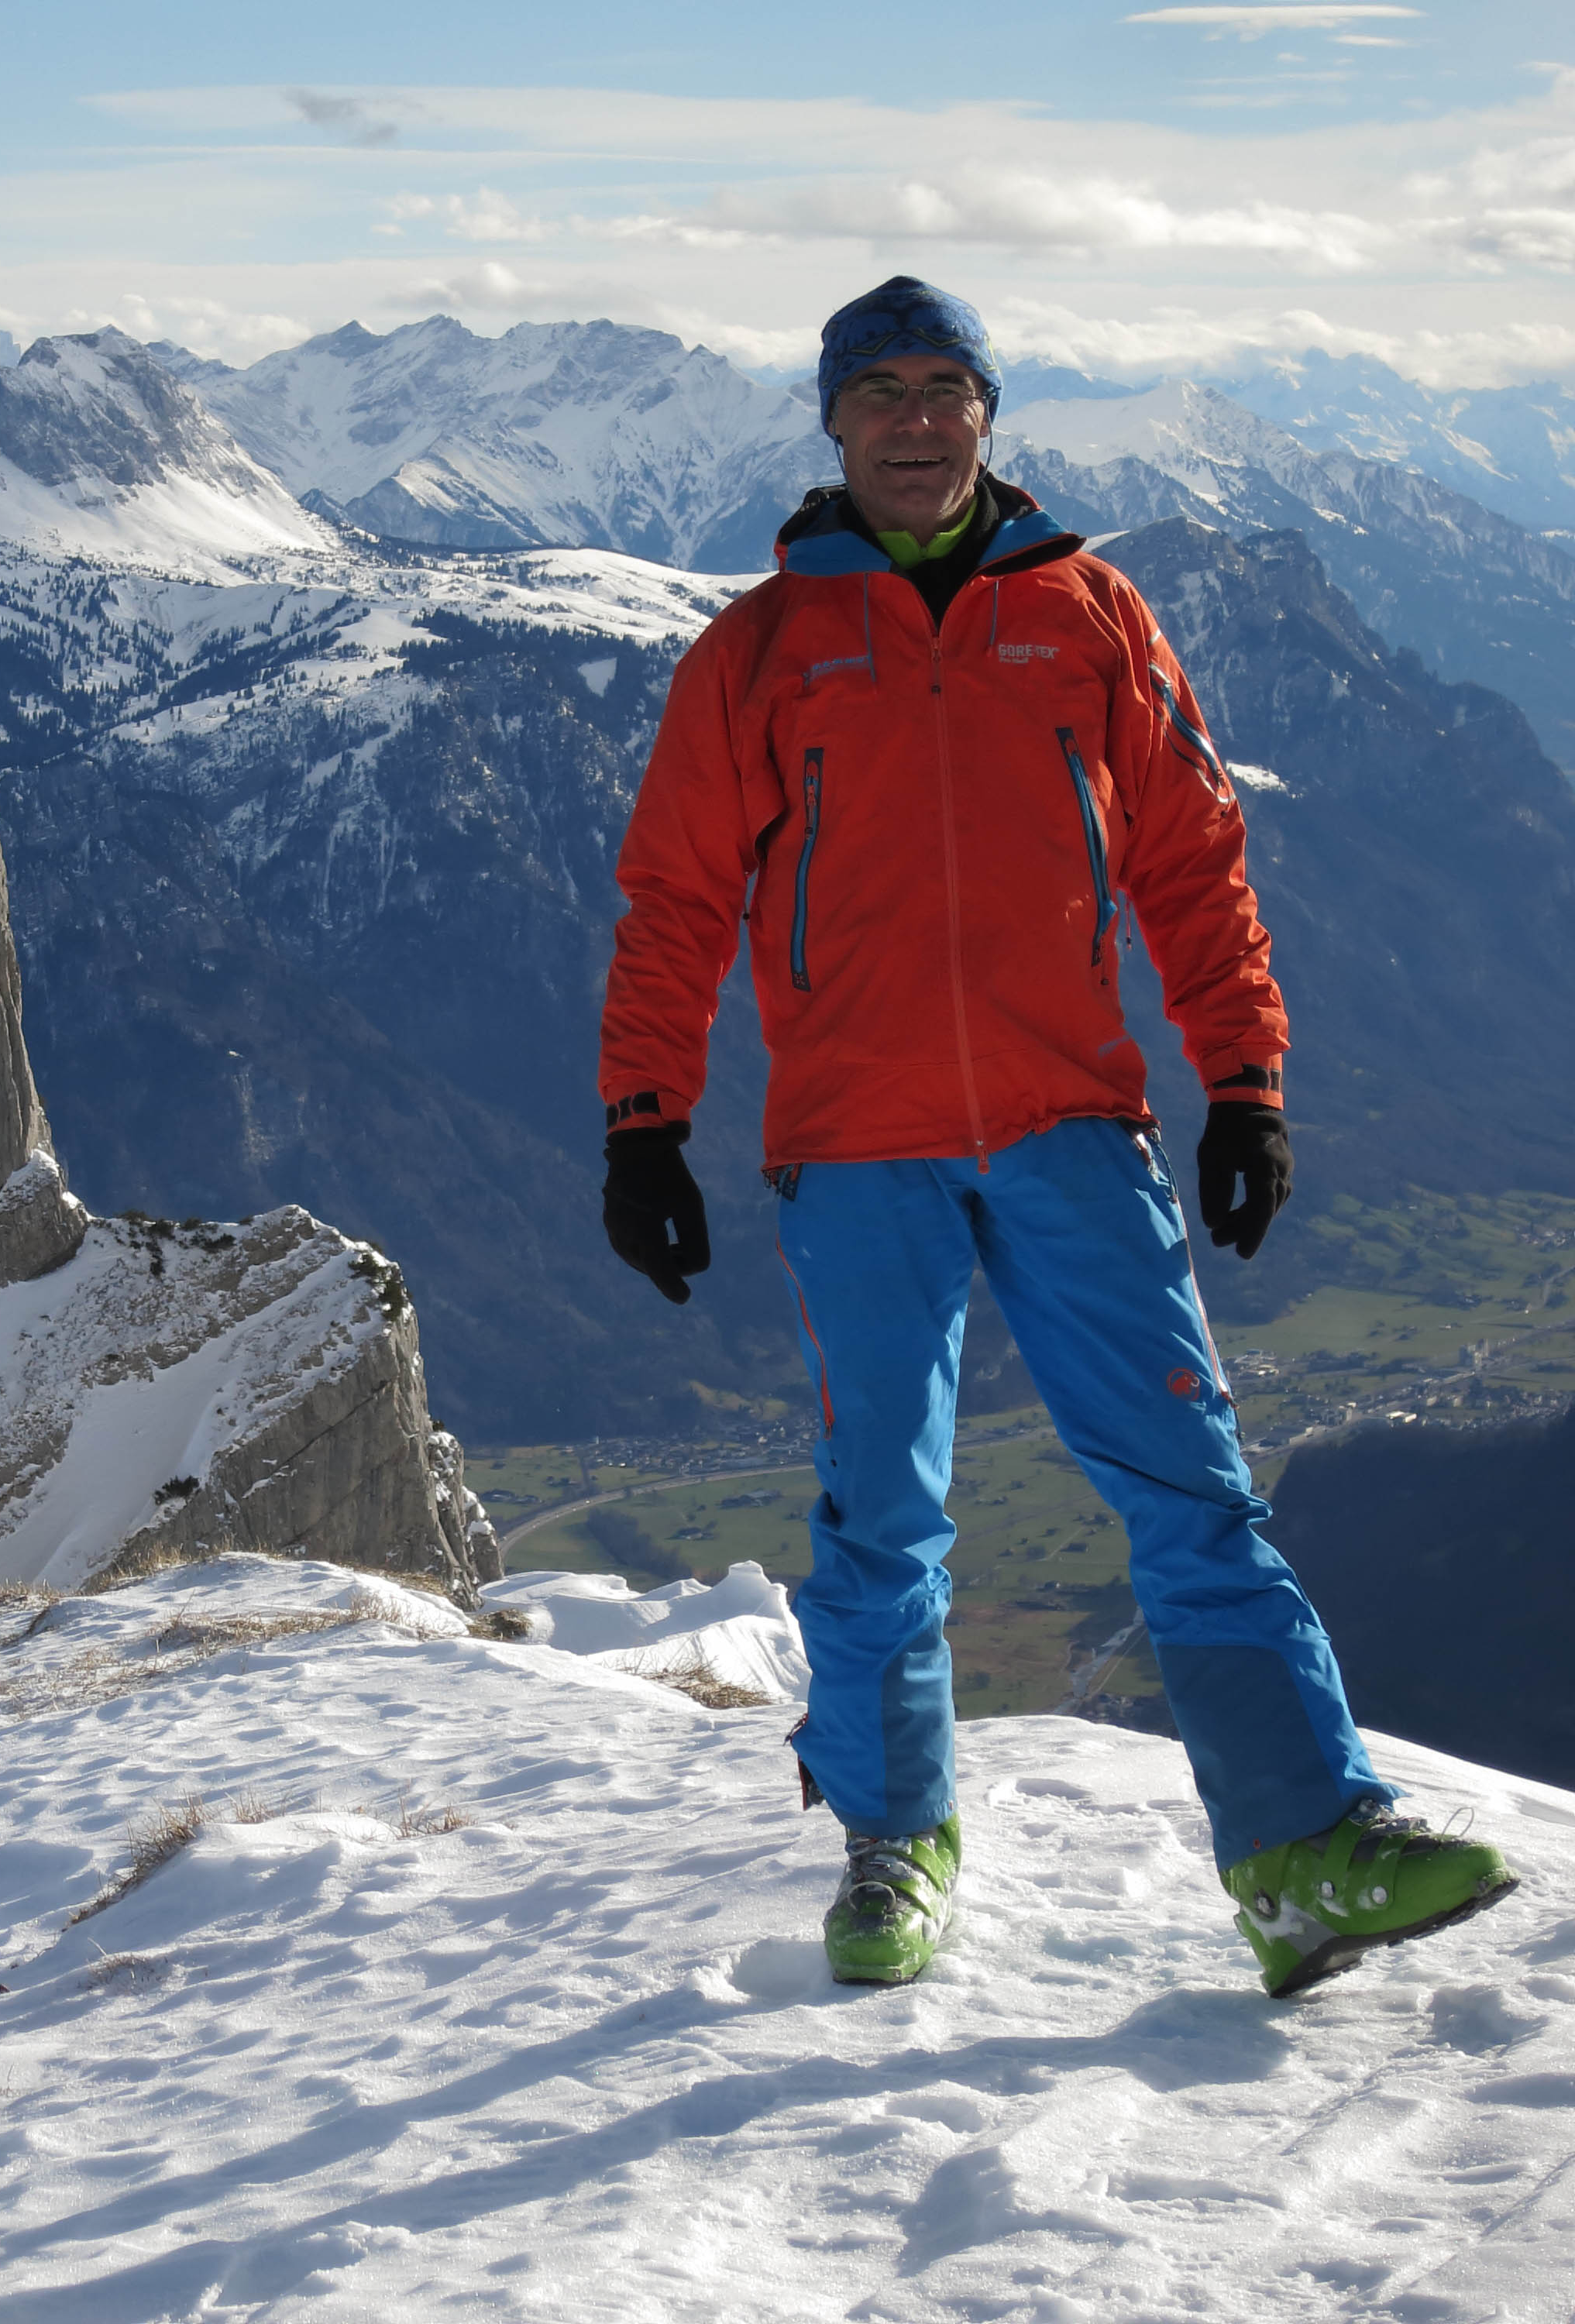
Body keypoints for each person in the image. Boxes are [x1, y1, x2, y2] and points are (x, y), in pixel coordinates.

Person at [593, 275, 1515, 1996]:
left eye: (944, 388)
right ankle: (894, 1842)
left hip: (1072, 1126)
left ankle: (1301, 1850)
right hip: (855, 1147)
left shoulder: (1088, 613)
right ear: (831, 423)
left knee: (1192, 1492)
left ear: (987, 414)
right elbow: (674, 901)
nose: (914, 421)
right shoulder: (757, 651)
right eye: (880, 393)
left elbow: (1190, 858)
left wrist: (1244, 1080)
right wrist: (644, 1120)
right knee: (881, 1518)